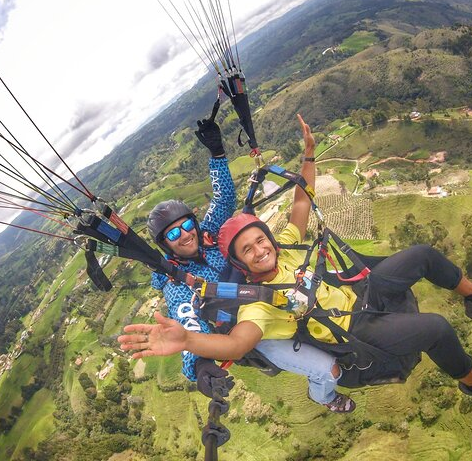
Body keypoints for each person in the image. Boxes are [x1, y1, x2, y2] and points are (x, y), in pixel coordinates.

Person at [121, 114, 472, 407]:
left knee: (422, 255)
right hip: (351, 327)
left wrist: (307, 158)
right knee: (435, 328)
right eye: (172, 235)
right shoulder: (249, 298)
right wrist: (192, 351)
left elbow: (297, 206)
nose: (261, 249)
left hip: (358, 290)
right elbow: (234, 340)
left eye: (262, 241)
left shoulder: (269, 242)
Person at [147, 107, 347, 411]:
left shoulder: (210, 233)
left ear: (195, 222)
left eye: (187, 225)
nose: (185, 235)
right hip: (251, 327)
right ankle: (325, 397)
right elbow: (188, 322)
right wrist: (200, 368)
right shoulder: (177, 285)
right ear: (165, 246)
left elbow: (224, 198)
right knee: (325, 368)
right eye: (173, 235)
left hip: (273, 289)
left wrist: (216, 154)